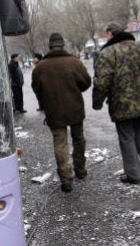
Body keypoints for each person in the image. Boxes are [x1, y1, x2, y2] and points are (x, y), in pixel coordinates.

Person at [92, 23, 140, 185]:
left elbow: (101, 81)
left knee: (126, 136)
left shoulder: (108, 53)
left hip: (120, 102)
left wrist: (97, 102)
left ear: (110, 35)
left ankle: (133, 174)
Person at [32, 33, 91, 192]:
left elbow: (36, 89)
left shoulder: (40, 67)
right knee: (78, 138)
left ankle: (66, 179)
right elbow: (86, 83)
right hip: (75, 109)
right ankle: (80, 169)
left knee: (60, 143)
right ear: (63, 46)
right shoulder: (74, 62)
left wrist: (46, 101)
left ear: (49, 47)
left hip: (54, 111)